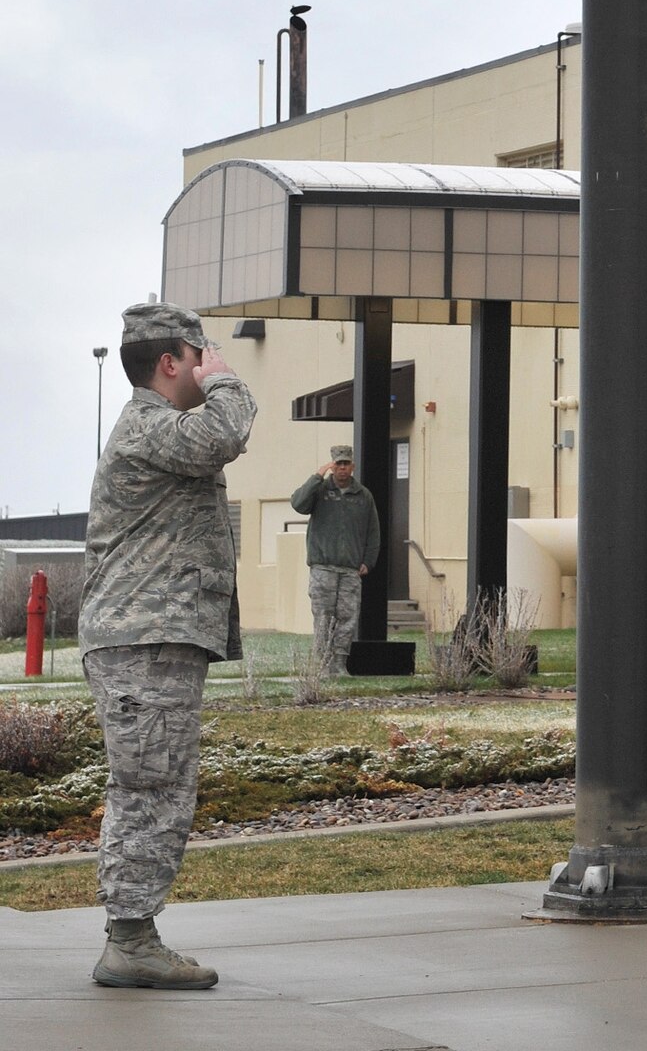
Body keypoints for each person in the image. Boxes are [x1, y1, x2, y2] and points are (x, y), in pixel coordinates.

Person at [79, 302, 256, 991]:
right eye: (201, 353)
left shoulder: (157, 428)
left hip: (150, 638)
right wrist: (230, 381)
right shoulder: (152, 426)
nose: (210, 363)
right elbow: (224, 434)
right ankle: (130, 941)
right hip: (142, 640)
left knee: (153, 788)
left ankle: (134, 936)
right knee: (152, 791)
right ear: (171, 362)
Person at [291, 444, 381, 675]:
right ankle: (323, 665)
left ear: (352, 466)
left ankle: (340, 664)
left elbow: (373, 532)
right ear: (332, 466)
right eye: (338, 464)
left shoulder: (363, 496)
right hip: (323, 568)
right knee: (323, 617)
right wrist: (316, 476)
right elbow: (298, 504)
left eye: (346, 464)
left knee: (347, 618)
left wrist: (368, 561)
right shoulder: (319, 491)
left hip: (350, 570)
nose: (342, 468)